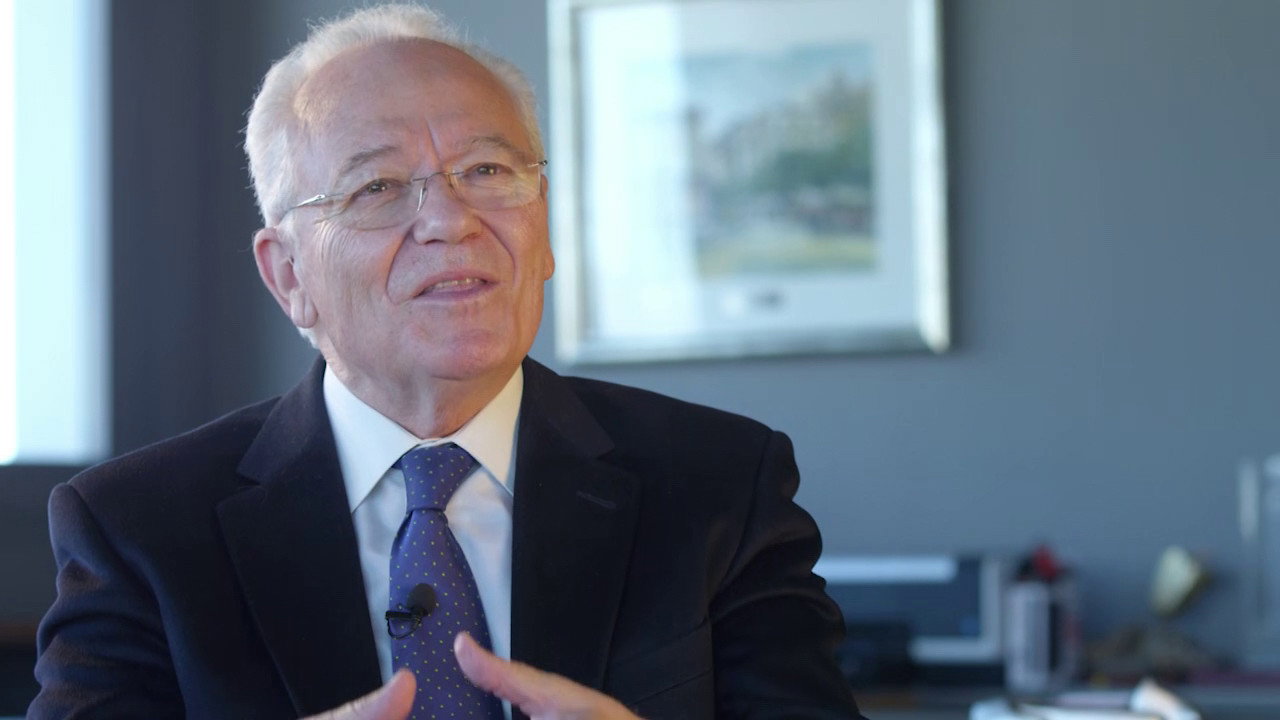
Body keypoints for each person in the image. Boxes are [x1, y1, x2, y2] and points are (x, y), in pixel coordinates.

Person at [28, 4, 864, 719]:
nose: (451, 220)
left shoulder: (721, 484)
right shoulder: (138, 529)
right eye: (378, 188)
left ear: (543, 229)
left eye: (488, 170)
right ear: (289, 276)